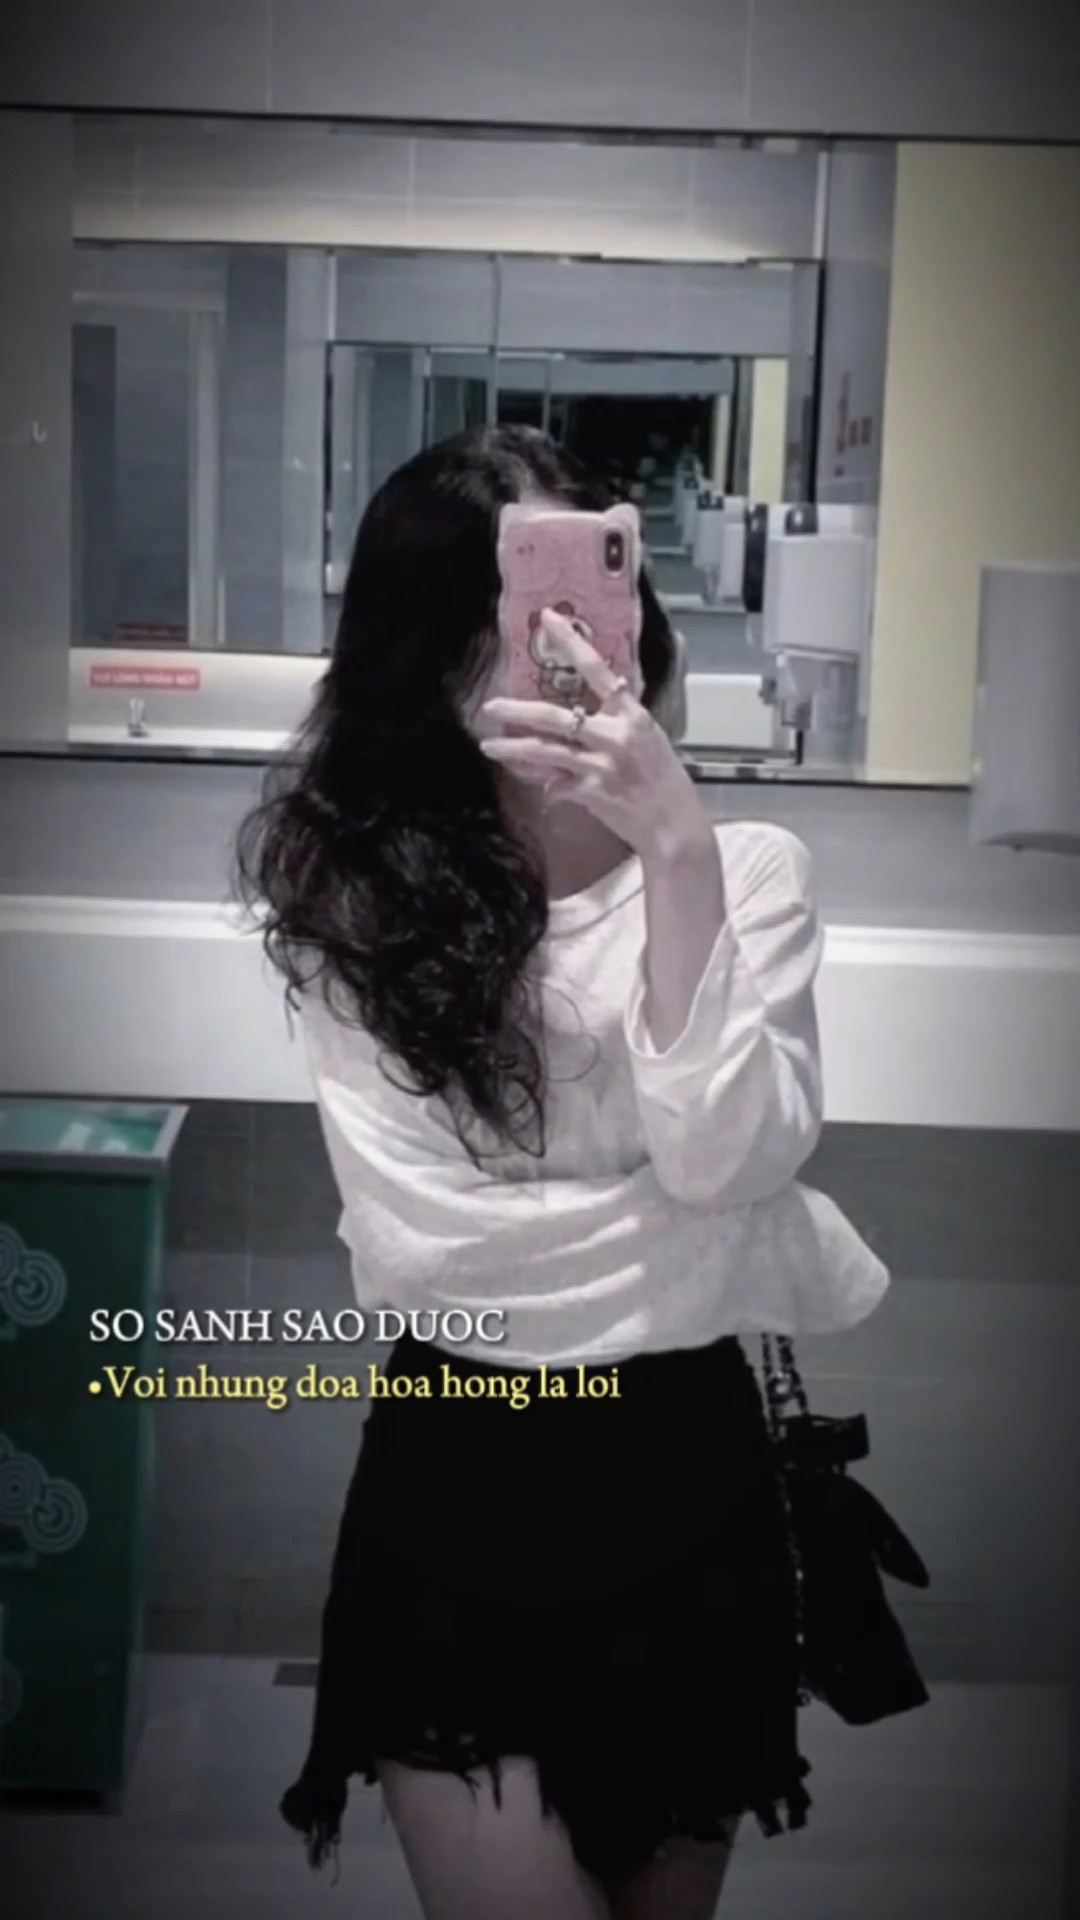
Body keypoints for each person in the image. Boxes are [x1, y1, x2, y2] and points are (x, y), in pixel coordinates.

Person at [235, 425, 889, 1920]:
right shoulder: (356, 898)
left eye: (591, 588)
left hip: (691, 1489)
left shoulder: (751, 871)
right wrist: (706, 1243)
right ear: (426, 649)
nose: (561, 639)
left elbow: (728, 1159)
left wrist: (678, 854)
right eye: (508, 602)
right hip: (462, 1483)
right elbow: (430, 1254)